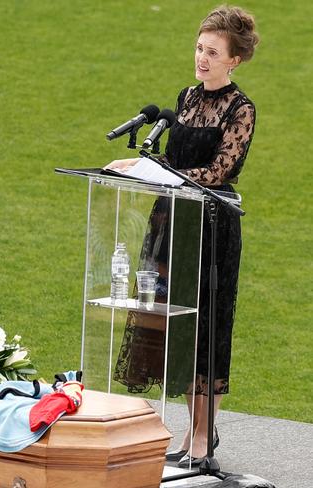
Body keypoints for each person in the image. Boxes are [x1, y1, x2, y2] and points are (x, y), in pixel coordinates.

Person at [106, 5, 259, 468]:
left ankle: (200, 439)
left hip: (212, 227)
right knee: (174, 323)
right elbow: (172, 162)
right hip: (170, 221)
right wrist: (141, 166)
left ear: (234, 59)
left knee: (207, 326)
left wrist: (164, 175)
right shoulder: (186, 99)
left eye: (213, 52)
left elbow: (220, 171)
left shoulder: (240, 109)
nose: (202, 58)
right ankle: (193, 432)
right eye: (199, 48)